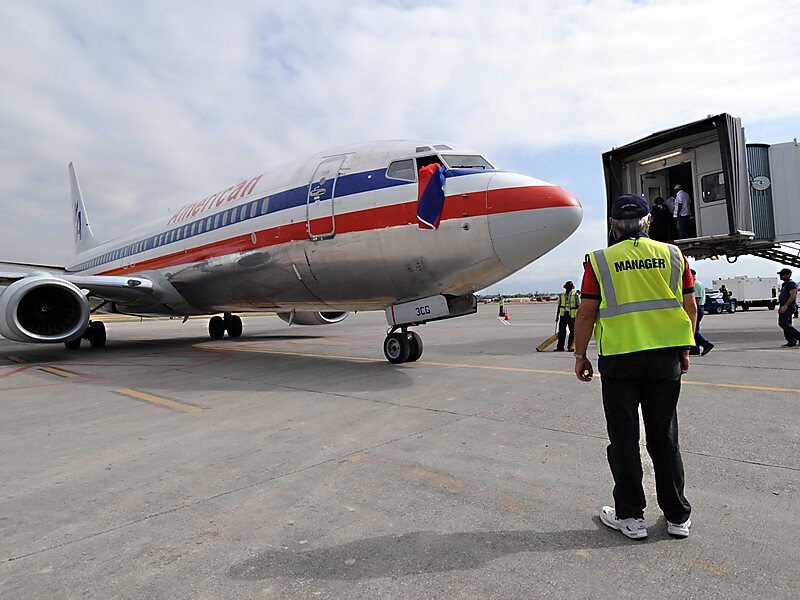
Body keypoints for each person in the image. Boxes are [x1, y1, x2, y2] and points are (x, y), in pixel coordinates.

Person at [573, 194, 696, 540]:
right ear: (647, 222)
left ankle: (630, 516)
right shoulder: (673, 255)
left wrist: (580, 355)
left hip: (620, 359)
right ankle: (677, 516)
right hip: (664, 358)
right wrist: (684, 349)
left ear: (613, 225)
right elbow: (689, 306)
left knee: (624, 439)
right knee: (664, 438)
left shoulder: (599, 261)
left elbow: (586, 313)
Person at [690, 269, 714, 356]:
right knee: (695, 329)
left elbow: (696, 299)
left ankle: (706, 344)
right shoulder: (696, 284)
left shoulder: (696, 285)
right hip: (698, 308)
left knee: (691, 329)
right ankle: (696, 348)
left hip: (697, 308)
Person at [554, 281, 580, 352]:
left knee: (572, 332)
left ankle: (570, 347)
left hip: (572, 316)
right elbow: (559, 306)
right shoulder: (561, 295)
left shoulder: (575, 295)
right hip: (563, 315)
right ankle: (560, 347)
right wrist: (557, 316)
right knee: (562, 331)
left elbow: (578, 306)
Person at [777, 268, 800, 347]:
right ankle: (791, 341)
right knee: (787, 323)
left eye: (782, 274)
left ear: (788, 275)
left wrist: (785, 306)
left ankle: (797, 336)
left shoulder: (791, 284)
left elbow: (793, 295)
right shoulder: (785, 284)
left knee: (783, 323)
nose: (780, 276)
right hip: (784, 305)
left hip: (789, 306)